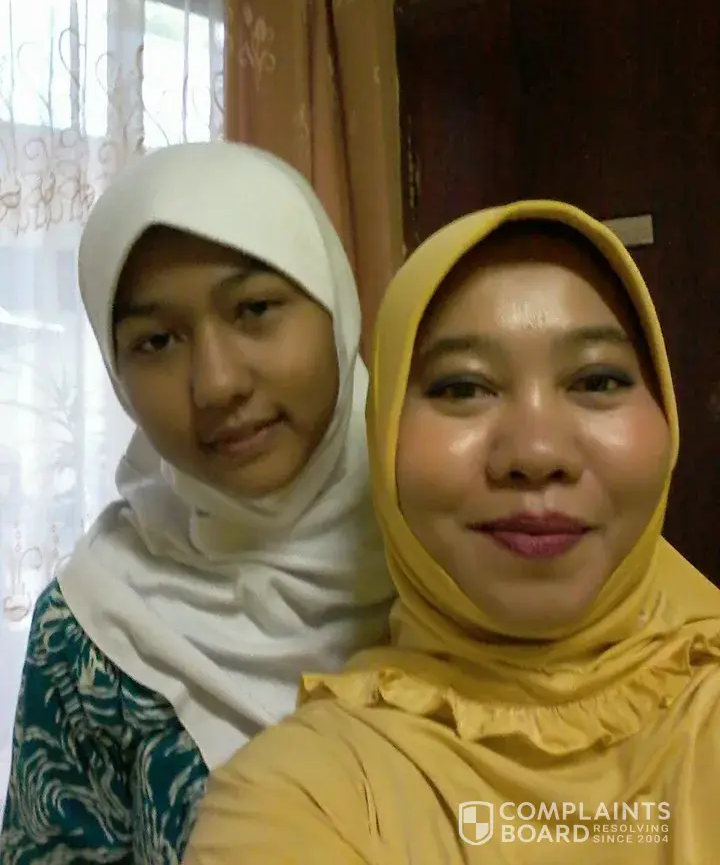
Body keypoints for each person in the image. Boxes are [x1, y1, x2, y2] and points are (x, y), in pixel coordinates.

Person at [183, 199, 720, 864]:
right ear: (382, 436)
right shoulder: (302, 796)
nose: (537, 452)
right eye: (464, 388)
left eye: (597, 379)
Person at [0, 142, 395, 863]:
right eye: (156, 341)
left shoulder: (463, 550)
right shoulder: (93, 629)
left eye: (255, 309)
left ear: (336, 308)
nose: (217, 384)